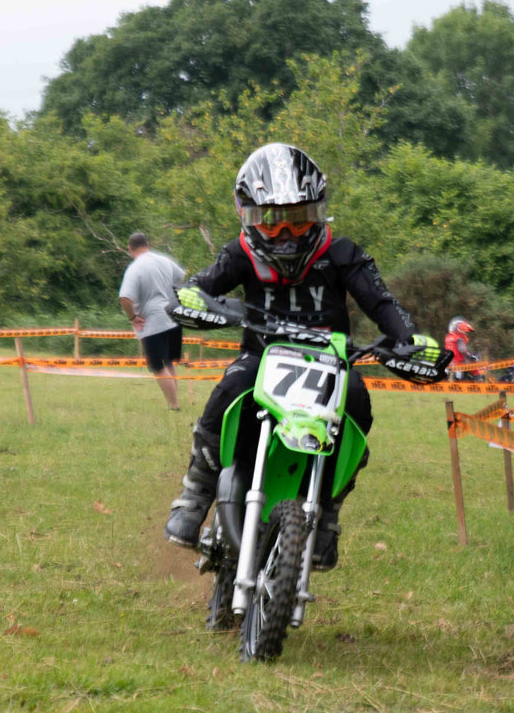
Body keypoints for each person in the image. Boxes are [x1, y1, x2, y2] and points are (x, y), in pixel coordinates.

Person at [164, 143, 438, 569]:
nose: (286, 233)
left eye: (298, 219)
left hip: (330, 366)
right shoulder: (240, 252)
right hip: (260, 359)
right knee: (227, 391)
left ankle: (327, 514)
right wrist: (196, 302)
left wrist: (409, 340)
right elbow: (199, 287)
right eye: (271, 222)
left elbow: (383, 304)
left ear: (318, 213)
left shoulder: (342, 253)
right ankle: (195, 494)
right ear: (248, 215)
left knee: (360, 407)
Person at [118, 232, 187, 410]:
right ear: (147, 244)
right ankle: (174, 402)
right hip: (173, 317)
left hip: (153, 322)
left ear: (129, 248)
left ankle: (174, 405)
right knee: (169, 362)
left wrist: (132, 318)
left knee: (157, 367)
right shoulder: (163, 260)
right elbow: (181, 276)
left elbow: (125, 298)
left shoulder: (134, 268)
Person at [444, 316, 481, 381]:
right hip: (459, 363)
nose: (466, 334)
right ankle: (478, 385)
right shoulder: (459, 339)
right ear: (460, 331)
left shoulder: (448, 337)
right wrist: (471, 356)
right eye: (465, 332)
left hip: (449, 362)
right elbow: (462, 350)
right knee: (476, 370)